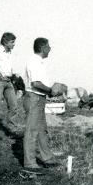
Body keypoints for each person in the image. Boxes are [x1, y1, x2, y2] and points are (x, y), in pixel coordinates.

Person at [23, 37, 66, 174]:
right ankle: (29, 163)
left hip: (39, 98)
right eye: (48, 46)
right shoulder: (34, 62)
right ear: (42, 48)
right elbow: (36, 83)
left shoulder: (39, 62)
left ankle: (47, 158)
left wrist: (51, 91)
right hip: (34, 98)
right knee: (32, 131)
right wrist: (51, 91)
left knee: (42, 130)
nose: (50, 48)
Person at [0, 32, 24, 137]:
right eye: (12, 42)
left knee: (14, 106)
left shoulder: (9, 52)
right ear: (5, 42)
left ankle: (12, 129)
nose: (14, 44)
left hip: (9, 81)